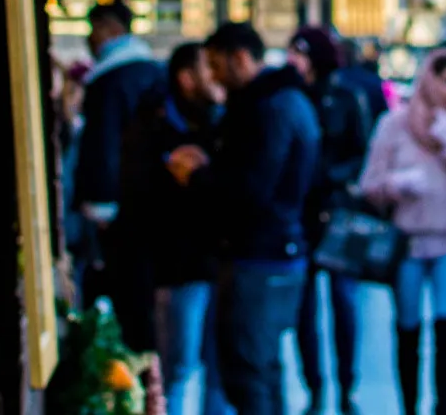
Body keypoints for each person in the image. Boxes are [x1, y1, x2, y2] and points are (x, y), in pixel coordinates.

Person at [186, 23, 322, 415]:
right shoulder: (283, 100)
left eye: (215, 64)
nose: (211, 75)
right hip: (278, 248)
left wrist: (198, 177)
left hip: (260, 253)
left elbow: (252, 186)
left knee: (250, 370)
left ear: (240, 58)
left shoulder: (269, 107)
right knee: (262, 367)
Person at [358, 48, 446, 415]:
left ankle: (444, 406)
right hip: (408, 241)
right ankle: (408, 406)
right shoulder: (395, 124)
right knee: (408, 329)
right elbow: (370, 183)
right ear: (430, 79)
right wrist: (397, 184)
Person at [125, 43, 230, 415]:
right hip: (179, 263)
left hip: (212, 260)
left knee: (216, 369)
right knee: (179, 367)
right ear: (187, 78)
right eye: (208, 68)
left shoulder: (220, 118)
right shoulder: (155, 123)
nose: (215, 76)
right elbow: (142, 194)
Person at [290, 27, 375, 415]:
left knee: (344, 301)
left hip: (338, 214)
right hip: (302, 213)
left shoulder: (346, 98)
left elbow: (362, 152)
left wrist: (333, 177)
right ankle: (315, 382)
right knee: (305, 306)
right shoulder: (294, 99)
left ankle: (345, 382)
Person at [76, 3, 170, 314]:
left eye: (95, 29)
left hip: (121, 203)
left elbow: (103, 143)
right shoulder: (149, 71)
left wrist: (100, 202)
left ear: (111, 28)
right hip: (147, 198)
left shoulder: (111, 81)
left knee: (124, 289)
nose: (90, 38)